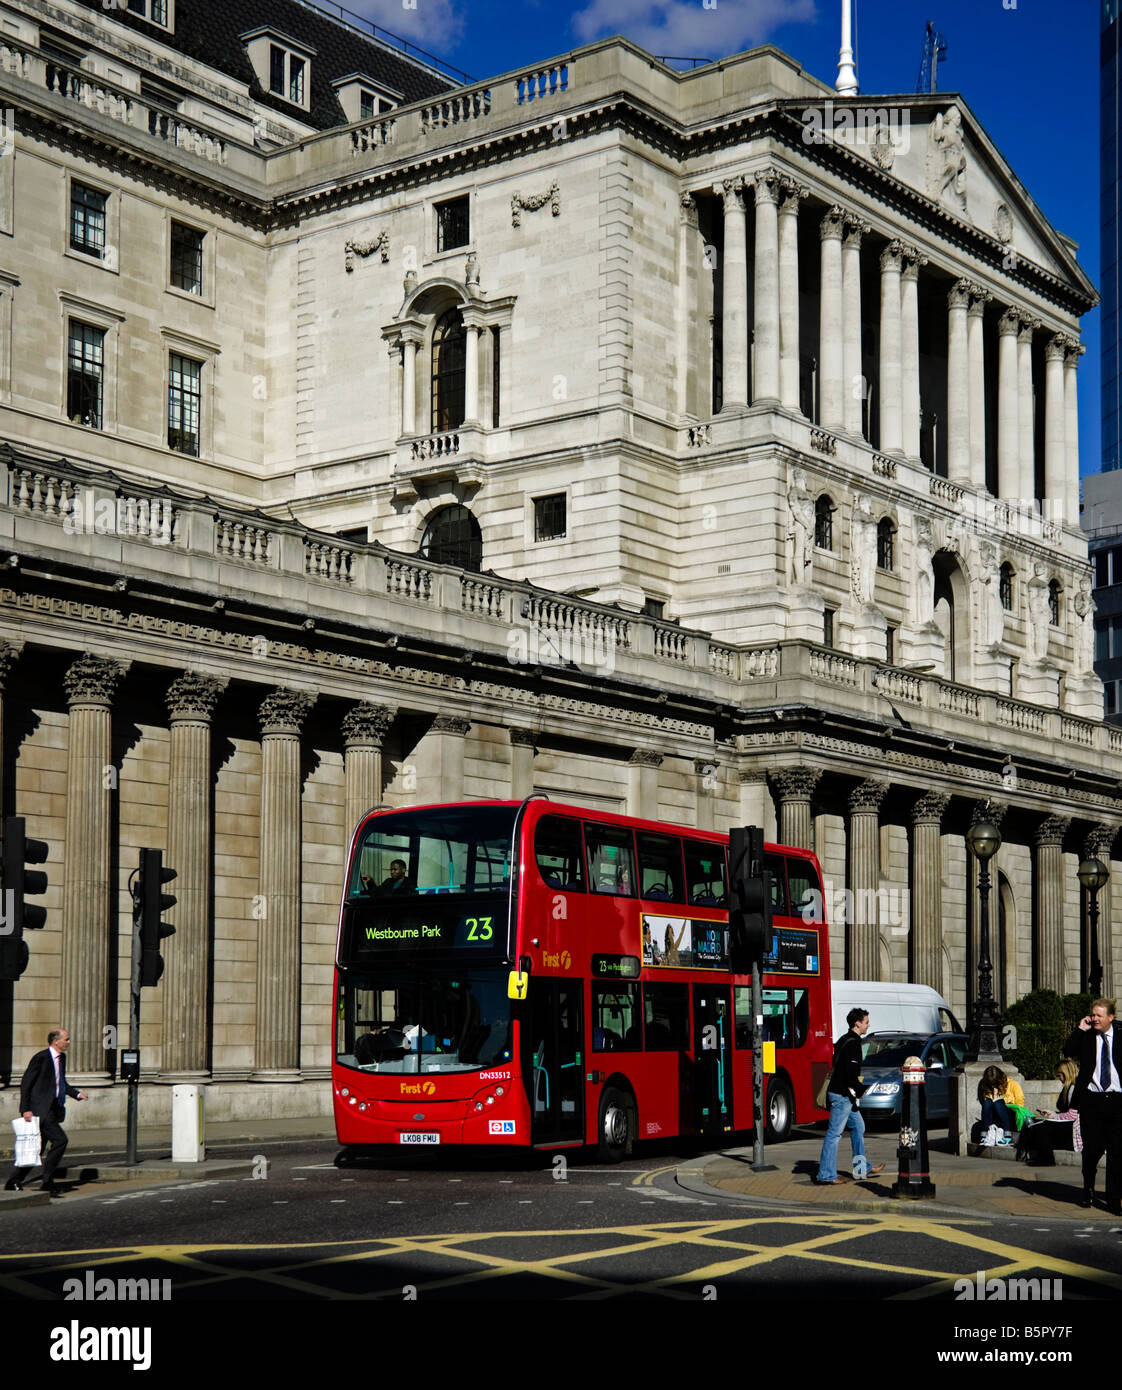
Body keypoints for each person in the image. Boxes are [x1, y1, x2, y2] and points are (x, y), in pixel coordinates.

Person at [5, 1028, 87, 1196]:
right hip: (40, 1110)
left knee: (37, 1148)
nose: (69, 1042)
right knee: (60, 1140)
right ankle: (47, 1182)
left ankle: (14, 1181)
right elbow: (26, 1083)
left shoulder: (61, 1058)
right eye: (67, 1039)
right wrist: (25, 1108)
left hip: (53, 1109)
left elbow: (60, 1083)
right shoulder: (41, 1058)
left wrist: (77, 1094)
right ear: (56, 1041)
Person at [1064, 997, 1122, 1213]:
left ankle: (1114, 1201)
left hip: (1117, 1101)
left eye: (1099, 1015)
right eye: (1093, 1014)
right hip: (1092, 1100)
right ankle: (1087, 1188)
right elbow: (1068, 1050)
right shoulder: (1087, 1036)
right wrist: (1079, 1029)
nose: (1094, 1018)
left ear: (1110, 1017)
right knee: (1092, 1150)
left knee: (1117, 1153)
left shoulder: (1120, 1034)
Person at [816, 1007, 885, 1185]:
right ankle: (826, 1174)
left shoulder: (843, 1040)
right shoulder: (853, 1043)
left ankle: (862, 1168)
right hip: (842, 1095)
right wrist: (861, 1089)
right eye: (866, 1022)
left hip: (843, 1094)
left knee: (858, 1127)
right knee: (834, 1134)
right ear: (857, 1023)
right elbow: (850, 1073)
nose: (868, 1025)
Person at [1016, 1059, 1082, 1166]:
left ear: (1066, 1074)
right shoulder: (1067, 1089)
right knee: (1033, 1123)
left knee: (1041, 1127)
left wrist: (1054, 1115)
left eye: (1059, 1075)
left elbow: (1072, 1115)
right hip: (1068, 1125)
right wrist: (1052, 1114)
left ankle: (1048, 1159)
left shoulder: (1075, 1089)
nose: (1059, 1078)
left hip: (1074, 1129)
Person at [977, 1065, 1027, 1145]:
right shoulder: (987, 1087)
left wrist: (1002, 1102)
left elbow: (1020, 1105)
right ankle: (985, 1133)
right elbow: (987, 1106)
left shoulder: (1013, 1084)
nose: (993, 1086)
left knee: (998, 1103)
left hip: (1009, 1116)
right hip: (994, 1117)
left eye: (995, 1083)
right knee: (988, 1102)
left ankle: (1007, 1133)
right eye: (991, 1084)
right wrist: (994, 1095)